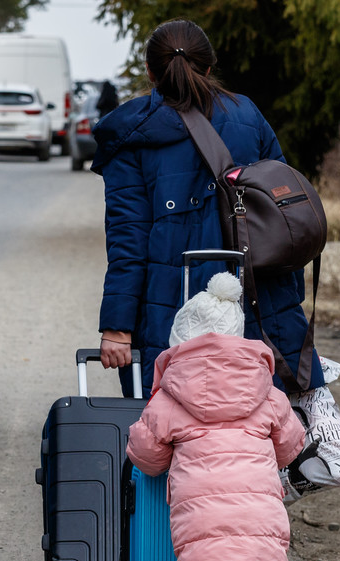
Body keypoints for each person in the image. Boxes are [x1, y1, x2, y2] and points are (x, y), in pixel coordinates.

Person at [91, 19, 324, 398]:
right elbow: (285, 217)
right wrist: (287, 302)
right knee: (261, 421)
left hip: (169, 311)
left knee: (175, 422)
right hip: (255, 298)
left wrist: (117, 328)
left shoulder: (131, 137)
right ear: (210, 66)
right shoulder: (248, 115)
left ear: (151, 71)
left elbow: (128, 240)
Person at [126, 272, 303, 561]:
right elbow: (290, 447)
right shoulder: (267, 393)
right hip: (259, 516)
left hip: (201, 522)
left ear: (180, 343)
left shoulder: (170, 398)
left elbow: (146, 457)